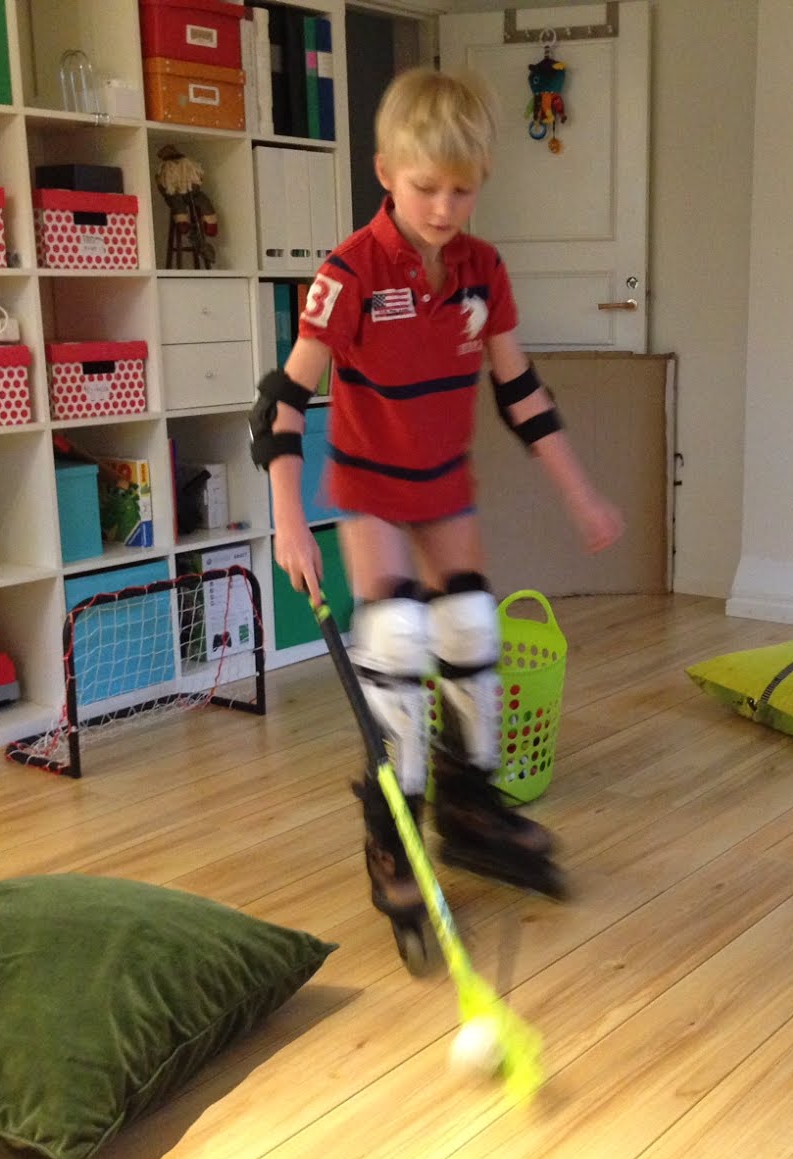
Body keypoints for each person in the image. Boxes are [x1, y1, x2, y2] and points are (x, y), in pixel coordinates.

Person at [249, 66, 622, 971]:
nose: (444, 207)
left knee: (471, 627)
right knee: (399, 642)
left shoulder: (482, 270)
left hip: (443, 480)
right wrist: (289, 520)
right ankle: (393, 837)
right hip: (371, 486)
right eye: (426, 187)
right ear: (385, 172)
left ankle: (469, 808)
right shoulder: (348, 274)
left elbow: (520, 391)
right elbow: (283, 403)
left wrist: (579, 491)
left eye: (462, 189)